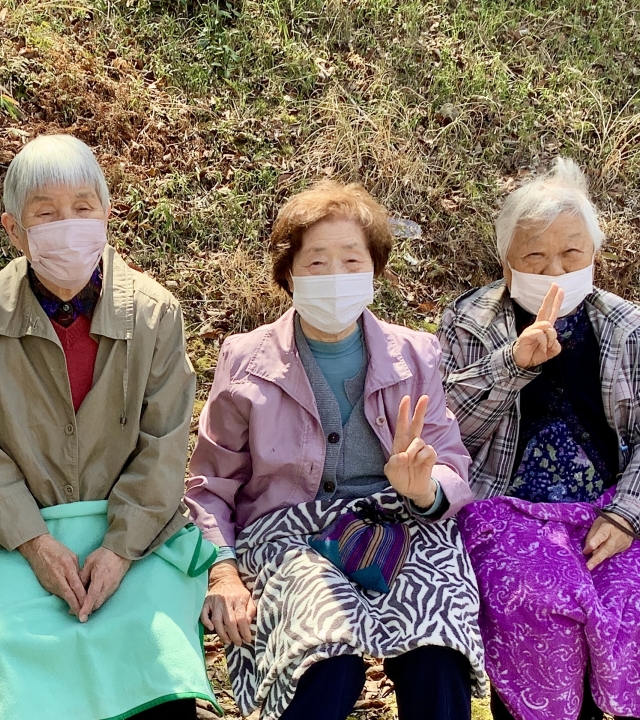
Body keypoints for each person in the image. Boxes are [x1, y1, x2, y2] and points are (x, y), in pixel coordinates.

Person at [0, 134, 217, 720]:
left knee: (153, 652)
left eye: (83, 207)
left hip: (138, 535)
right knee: (6, 651)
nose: (68, 224)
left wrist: (119, 549)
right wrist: (34, 543)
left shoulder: (154, 312)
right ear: (14, 230)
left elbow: (165, 444)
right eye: (46, 213)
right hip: (15, 535)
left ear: (107, 214)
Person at [185, 180, 485, 720]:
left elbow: (450, 461)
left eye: (351, 261)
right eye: (317, 262)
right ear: (289, 273)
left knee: (437, 653)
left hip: (401, 525)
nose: (335, 277)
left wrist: (424, 489)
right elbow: (210, 484)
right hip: (287, 536)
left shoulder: (415, 354)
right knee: (326, 659)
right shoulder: (247, 359)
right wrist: (222, 570)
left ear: (374, 270)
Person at [437, 157, 640, 720]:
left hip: (611, 504)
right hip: (505, 507)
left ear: (594, 255)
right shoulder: (470, 321)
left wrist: (627, 514)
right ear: (507, 264)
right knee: (531, 599)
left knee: (631, 602)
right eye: (534, 257)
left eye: (572, 253)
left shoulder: (627, 327)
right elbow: (446, 433)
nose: (555, 270)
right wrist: (512, 364)